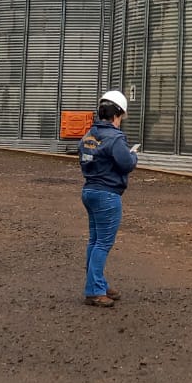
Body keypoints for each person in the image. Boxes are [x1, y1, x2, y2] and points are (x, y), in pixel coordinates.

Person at [78, 89, 139, 307]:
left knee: (95, 241)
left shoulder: (89, 135)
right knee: (103, 243)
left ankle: (98, 284)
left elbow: (84, 158)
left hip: (89, 191)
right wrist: (134, 156)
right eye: (122, 116)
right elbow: (126, 164)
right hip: (107, 195)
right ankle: (94, 290)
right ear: (117, 114)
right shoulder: (115, 137)